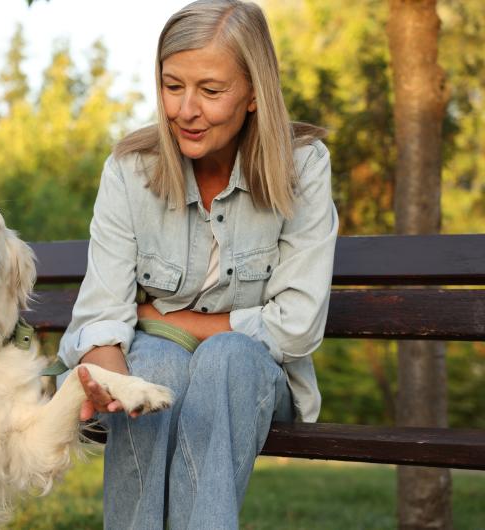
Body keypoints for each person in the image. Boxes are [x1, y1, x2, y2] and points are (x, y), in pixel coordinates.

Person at [53, 0, 338, 528]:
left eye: (210, 90)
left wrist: (174, 322)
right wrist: (112, 376)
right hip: (157, 366)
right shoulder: (129, 170)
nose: (185, 109)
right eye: (172, 85)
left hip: (250, 382)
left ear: (254, 93)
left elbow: (295, 328)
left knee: (227, 355)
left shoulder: (303, 166)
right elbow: (102, 312)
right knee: (156, 363)